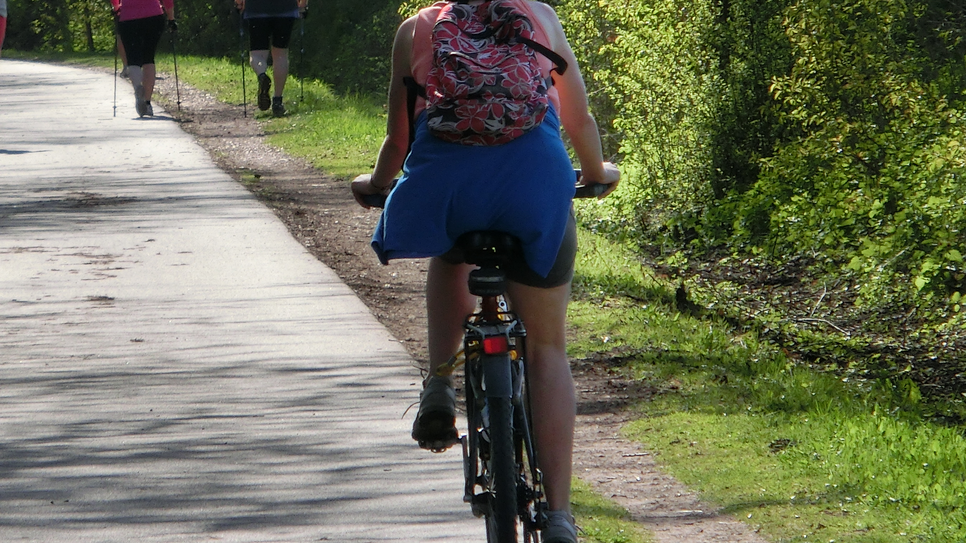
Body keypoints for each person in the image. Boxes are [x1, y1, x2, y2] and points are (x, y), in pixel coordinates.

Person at [350, 2, 620, 542]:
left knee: (449, 250)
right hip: (534, 186)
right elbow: (578, 120)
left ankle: (439, 383)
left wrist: (374, 184)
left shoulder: (418, 28)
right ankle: (559, 517)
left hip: (446, 190)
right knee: (547, 349)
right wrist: (598, 172)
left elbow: (398, 140)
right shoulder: (540, 16)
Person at [234, 0, 307, 117]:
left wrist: (239, 3)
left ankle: (262, 75)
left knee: (257, 54)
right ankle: (277, 101)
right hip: (286, 8)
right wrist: (303, 4)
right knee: (280, 54)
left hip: (256, 9)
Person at [111, 0, 176, 117]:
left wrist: (116, 8)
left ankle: (137, 88)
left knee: (132, 58)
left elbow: (115, 2)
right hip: (153, 15)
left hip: (128, 17)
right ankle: (147, 103)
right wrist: (171, 19)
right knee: (148, 58)